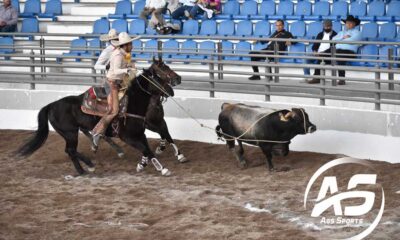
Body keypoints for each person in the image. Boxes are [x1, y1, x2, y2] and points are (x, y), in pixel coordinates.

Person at [90, 32, 138, 147]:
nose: (132, 46)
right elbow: (116, 70)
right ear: (125, 45)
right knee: (114, 111)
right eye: (130, 44)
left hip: (121, 82)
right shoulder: (117, 55)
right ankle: (96, 132)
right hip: (112, 83)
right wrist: (127, 70)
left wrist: (132, 66)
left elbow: (129, 62)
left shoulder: (126, 53)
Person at [331, 15, 362, 85]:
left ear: (354, 24)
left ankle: (342, 79)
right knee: (322, 56)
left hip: (350, 52)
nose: (348, 24)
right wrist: (343, 37)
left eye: (351, 23)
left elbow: (351, 41)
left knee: (339, 57)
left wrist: (340, 40)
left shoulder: (357, 33)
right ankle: (317, 77)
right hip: (337, 50)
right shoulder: (341, 32)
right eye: (347, 23)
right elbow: (333, 39)